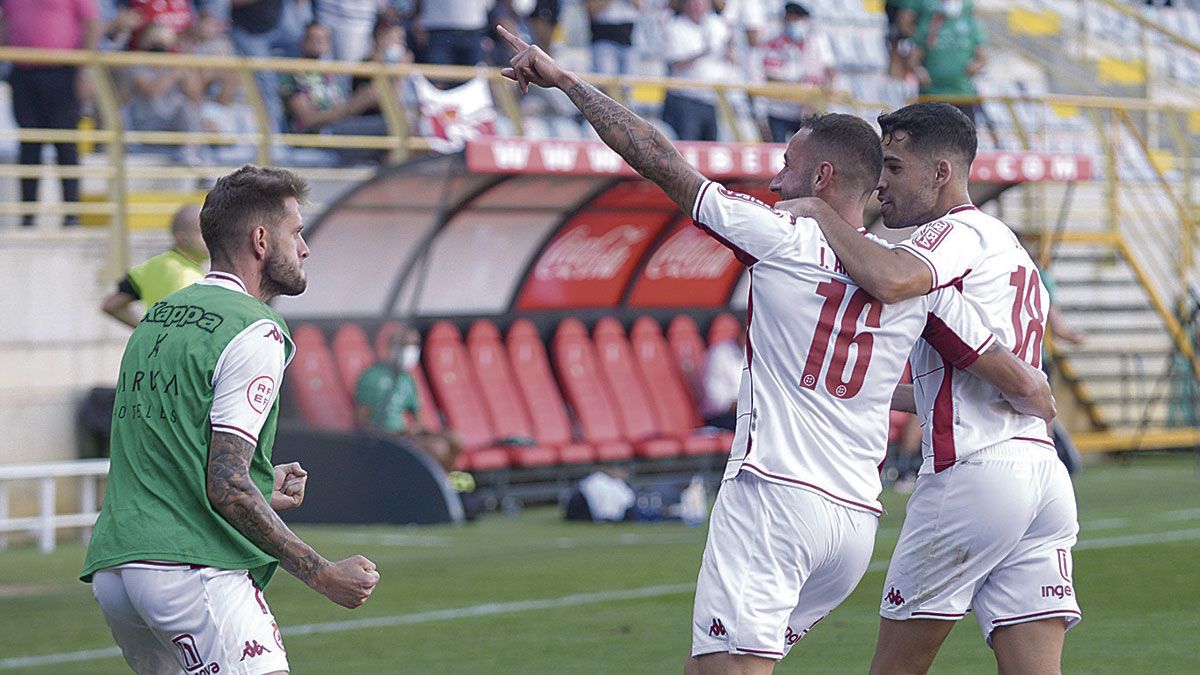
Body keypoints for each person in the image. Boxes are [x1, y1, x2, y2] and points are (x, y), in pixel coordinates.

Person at [496, 27, 1055, 674]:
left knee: (727, 664)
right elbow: (1005, 370)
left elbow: (657, 157)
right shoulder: (915, 279)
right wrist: (1037, 395)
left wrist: (568, 83)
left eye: (786, 164)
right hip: (852, 525)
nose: (772, 176)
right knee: (713, 661)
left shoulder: (783, 234)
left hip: (775, 496)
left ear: (821, 177)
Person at [782, 101, 1081, 675]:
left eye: (893, 168)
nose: (880, 183)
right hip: (1040, 475)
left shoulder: (951, 234)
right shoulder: (1007, 244)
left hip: (973, 471)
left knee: (895, 669)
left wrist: (823, 215)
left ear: (940, 172)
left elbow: (892, 279)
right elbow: (955, 377)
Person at [81, 165, 379, 674]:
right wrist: (322, 573)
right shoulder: (257, 330)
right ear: (261, 240)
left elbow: (172, 453)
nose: (305, 248)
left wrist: (261, 477)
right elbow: (226, 486)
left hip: (119, 567)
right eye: (296, 232)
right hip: (191, 568)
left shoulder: (159, 317)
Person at [0, 0, 101, 228]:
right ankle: (27, 215)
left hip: (62, 70)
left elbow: (92, 25)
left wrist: (85, 70)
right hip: (23, 73)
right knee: (29, 147)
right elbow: (6, 24)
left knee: (65, 145)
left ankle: (71, 214)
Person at [355, 325, 462, 472]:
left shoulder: (408, 379)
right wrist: (393, 434)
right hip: (385, 439)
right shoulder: (372, 376)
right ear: (391, 347)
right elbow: (362, 422)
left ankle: (450, 484)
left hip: (405, 434)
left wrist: (417, 430)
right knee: (438, 448)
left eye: (414, 344)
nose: (410, 349)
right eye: (405, 344)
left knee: (454, 440)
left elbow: (417, 418)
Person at [102, 204, 209, 328]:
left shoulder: (152, 265)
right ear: (182, 238)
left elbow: (111, 305)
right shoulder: (189, 277)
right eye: (202, 232)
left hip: (156, 346)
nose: (210, 237)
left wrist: (146, 332)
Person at [660, 0, 737, 141]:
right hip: (687, 98)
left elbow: (730, 54)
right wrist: (703, 52)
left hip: (713, 98)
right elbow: (676, 63)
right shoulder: (675, 26)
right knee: (689, 147)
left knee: (711, 148)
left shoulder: (716, 23)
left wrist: (729, 49)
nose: (697, 5)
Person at [759, 2, 834, 143]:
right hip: (780, 110)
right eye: (790, 19)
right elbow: (770, 75)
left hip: (808, 110)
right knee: (778, 152)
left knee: (807, 154)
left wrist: (828, 87)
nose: (793, 23)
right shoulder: (774, 44)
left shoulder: (817, 42)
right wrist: (797, 84)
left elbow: (830, 69)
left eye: (797, 19)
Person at [908, 0, 988, 129]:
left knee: (964, 138)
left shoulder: (972, 24)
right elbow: (914, 57)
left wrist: (973, 67)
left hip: (962, 94)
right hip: (931, 95)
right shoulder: (929, 23)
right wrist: (919, 70)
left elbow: (982, 57)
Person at [697, 333, 741, 430]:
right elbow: (714, 401)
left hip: (744, 414)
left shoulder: (758, 356)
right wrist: (745, 404)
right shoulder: (719, 354)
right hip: (719, 418)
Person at [586, 0, 641, 77]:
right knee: (606, 80)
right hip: (604, 39)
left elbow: (640, 7)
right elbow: (591, 10)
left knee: (629, 82)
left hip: (628, 39)